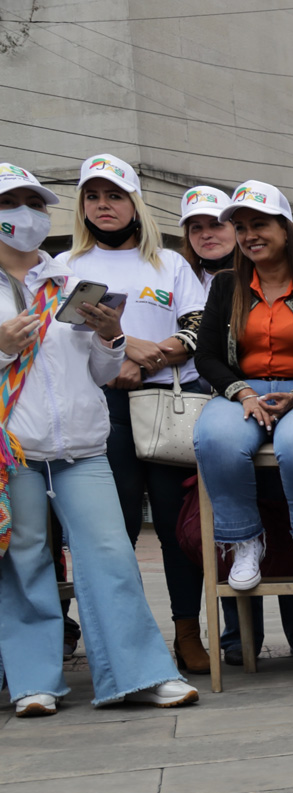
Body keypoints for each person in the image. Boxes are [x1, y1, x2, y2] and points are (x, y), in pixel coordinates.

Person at [0, 162, 198, 713]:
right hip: (14, 450)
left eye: (34, 204)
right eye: (10, 204)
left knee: (111, 554)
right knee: (25, 559)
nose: (26, 215)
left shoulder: (67, 279)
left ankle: (139, 672)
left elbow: (101, 372)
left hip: (83, 447)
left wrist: (112, 339)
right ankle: (34, 682)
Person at [55, 153, 212, 676]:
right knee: (113, 534)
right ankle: (124, 640)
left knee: (176, 529)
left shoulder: (170, 264)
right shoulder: (67, 267)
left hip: (167, 406)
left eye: (115, 195)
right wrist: (126, 350)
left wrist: (147, 356)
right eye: (93, 196)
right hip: (101, 410)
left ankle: (187, 633)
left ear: (135, 203)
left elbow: (198, 327)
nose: (104, 205)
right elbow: (65, 341)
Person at [191, 181, 293, 665]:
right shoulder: (226, 285)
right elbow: (207, 356)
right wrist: (243, 393)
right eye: (241, 227)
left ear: (285, 227)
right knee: (215, 438)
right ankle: (244, 542)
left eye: (260, 224)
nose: (249, 235)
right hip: (243, 390)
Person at [178, 186, 235, 287]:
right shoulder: (179, 281)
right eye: (196, 227)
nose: (206, 235)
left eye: (216, 225)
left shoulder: (261, 276)